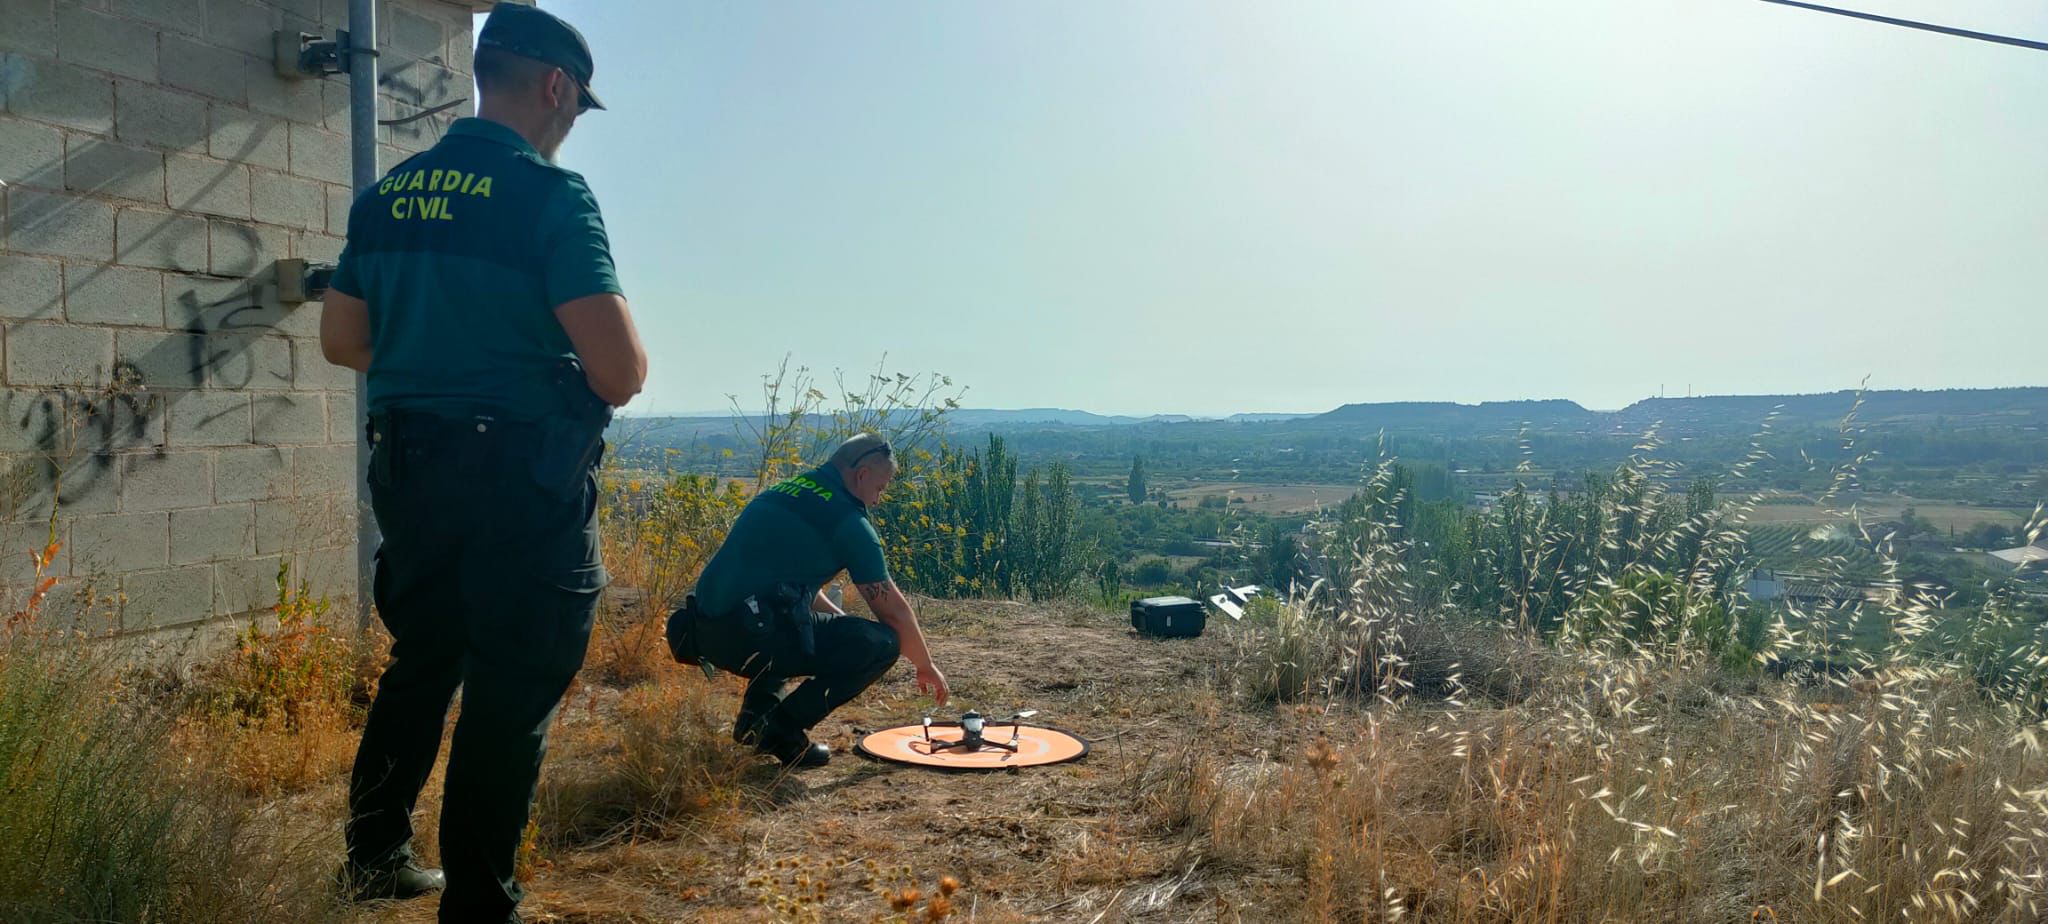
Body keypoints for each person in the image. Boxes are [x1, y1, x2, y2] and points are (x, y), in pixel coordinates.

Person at [318, 4, 645, 921]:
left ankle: (377, 854)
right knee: (512, 686)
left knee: (423, 660)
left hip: (413, 471)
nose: (573, 121)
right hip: (518, 485)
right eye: (577, 104)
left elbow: (342, 339)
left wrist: (439, 359)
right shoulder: (551, 195)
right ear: (554, 87)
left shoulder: (385, 197)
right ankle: (478, 905)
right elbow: (617, 372)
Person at [667, 434, 951, 767]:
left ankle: (754, 720)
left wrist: (839, 623)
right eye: (881, 488)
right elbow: (893, 612)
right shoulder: (848, 521)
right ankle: (782, 729)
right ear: (861, 475)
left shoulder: (785, 491)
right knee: (884, 643)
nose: (877, 500)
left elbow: (792, 586)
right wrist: (924, 665)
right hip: (750, 636)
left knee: (787, 617)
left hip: (703, 631)